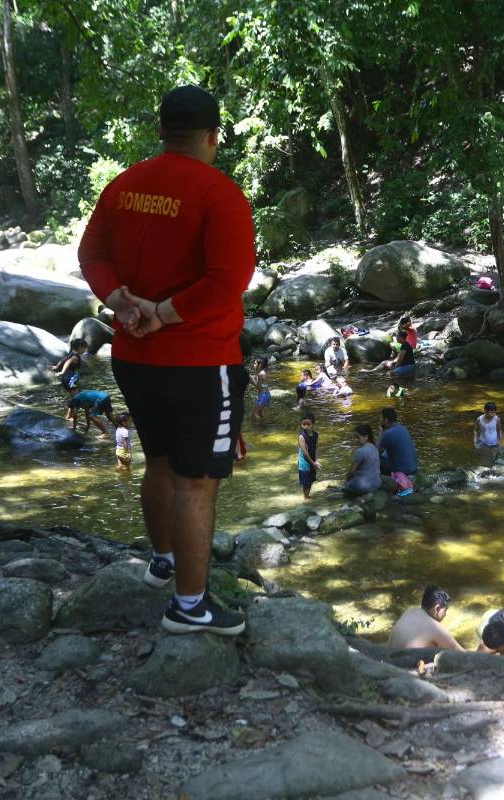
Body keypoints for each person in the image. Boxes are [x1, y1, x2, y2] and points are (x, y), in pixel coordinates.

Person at [78, 84, 254, 636]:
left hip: (134, 357)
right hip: (201, 361)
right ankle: (189, 606)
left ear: (161, 130)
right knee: (195, 483)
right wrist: (163, 312)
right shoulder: (219, 193)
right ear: (213, 136)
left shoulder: (124, 185)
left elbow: (91, 254)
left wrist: (119, 301)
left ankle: (164, 560)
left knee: (158, 462)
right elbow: (228, 282)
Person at [387, 586, 466, 651]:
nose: (445, 615)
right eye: (445, 610)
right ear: (437, 609)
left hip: (387, 657)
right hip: (403, 665)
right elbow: (462, 655)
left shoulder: (410, 611)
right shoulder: (436, 628)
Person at [343, 423, 382, 496]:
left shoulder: (360, 451)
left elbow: (351, 472)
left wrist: (346, 482)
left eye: (357, 437)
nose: (355, 440)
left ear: (366, 437)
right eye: (354, 437)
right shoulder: (375, 447)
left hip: (363, 486)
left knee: (347, 486)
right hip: (377, 483)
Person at [378, 407, 418, 477]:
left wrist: (380, 434)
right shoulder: (403, 428)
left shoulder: (388, 434)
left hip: (404, 471)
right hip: (413, 468)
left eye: (381, 418)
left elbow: (377, 453)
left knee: (374, 459)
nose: (379, 420)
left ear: (386, 420)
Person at [296, 412, 321, 499]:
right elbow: (305, 453)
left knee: (311, 479)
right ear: (301, 424)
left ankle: (307, 496)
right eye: (304, 424)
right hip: (304, 464)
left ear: (313, 424)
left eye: (308, 424)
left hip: (312, 461)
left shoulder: (315, 435)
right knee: (306, 483)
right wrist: (313, 463)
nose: (306, 426)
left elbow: (316, 447)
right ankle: (306, 497)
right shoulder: (302, 437)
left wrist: (316, 461)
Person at [473, 401, 502, 465]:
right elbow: (475, 430)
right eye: (491, 412)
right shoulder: (479, 419)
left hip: (494, 444)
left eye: (494, 412)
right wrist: (475, 441)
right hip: (482, 443)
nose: (493, 414)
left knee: (494, 461)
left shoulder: (497, 419)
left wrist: (500, 442)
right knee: (484, 461)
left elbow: (499, 430)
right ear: (485, 411)